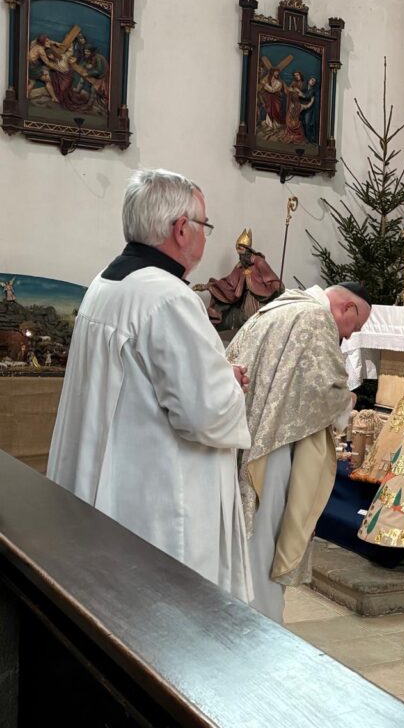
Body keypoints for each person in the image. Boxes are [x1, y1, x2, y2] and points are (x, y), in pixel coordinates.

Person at [48, 169, 253, 601]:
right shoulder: (169, 298)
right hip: (158, 507)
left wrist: (214, 376)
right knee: (167, 612)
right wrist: (231, 386)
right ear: (181, 229)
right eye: (204, 225)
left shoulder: (108, 282)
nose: (205, 235)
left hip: (110, 483)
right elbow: (205, 414)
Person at [227, 281, 371, 623]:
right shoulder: (315, 319)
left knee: (242, 536)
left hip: (243, 437)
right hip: (274, 448)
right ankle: (258, 624)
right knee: (264, 539)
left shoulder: (276, 309)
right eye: (354, 327)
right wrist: (348, 400)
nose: (348, 336)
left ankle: (232, 614)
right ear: (347, 308)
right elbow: (324, 393)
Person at [205, 228, 283, 332]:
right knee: (238, 317)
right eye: (238, 252)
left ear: (247, 250)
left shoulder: (259, 262)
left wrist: (276, 289)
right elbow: (229, 283)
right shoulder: (241, 265)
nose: (239, 255)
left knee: (252, 320)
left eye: (241, 250)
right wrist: (209, 286)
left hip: (258, 300)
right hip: (244, 299)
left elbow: (274, 281)